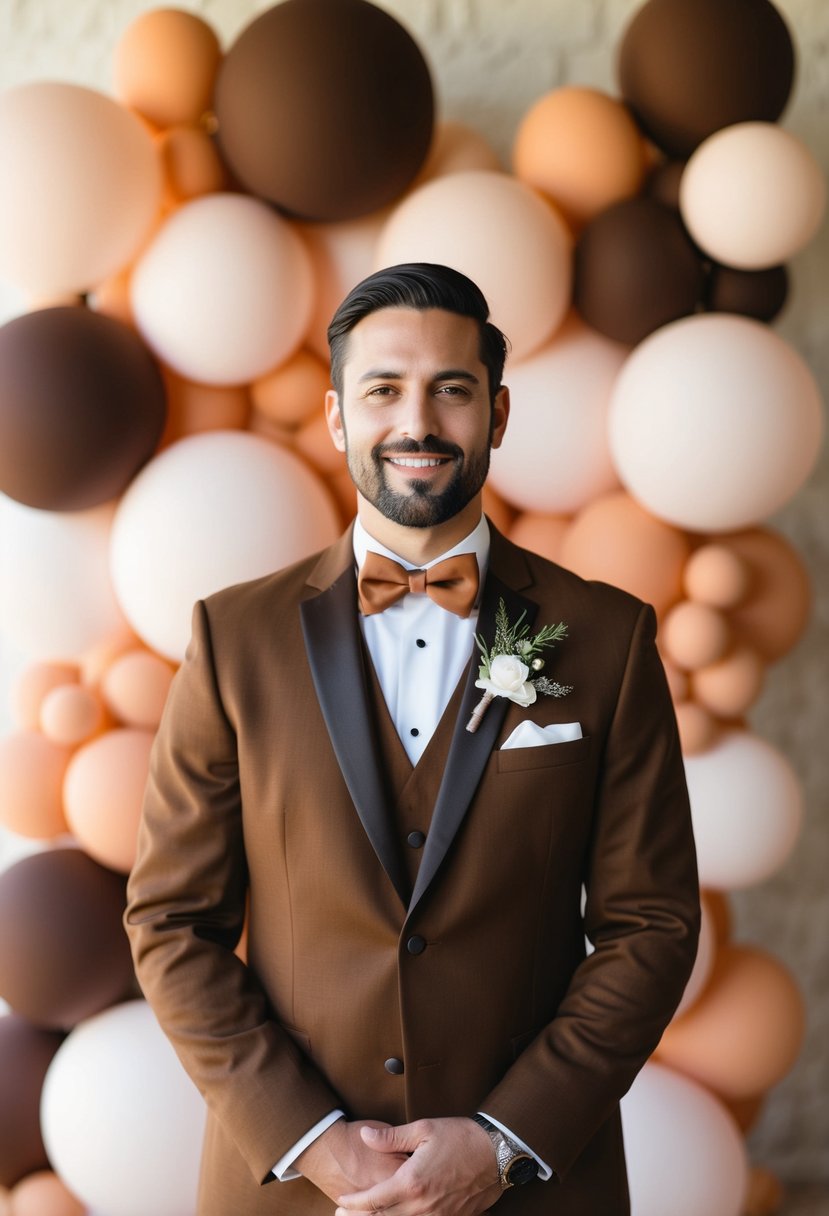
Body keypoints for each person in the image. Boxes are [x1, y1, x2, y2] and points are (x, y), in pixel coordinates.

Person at [125, 262, 700, 1216]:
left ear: (499, 413)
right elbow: (171, 924)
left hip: (534, 1188)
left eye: (452, 389)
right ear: (338, 416)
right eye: (383, 389)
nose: (417, 421)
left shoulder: (609, 638)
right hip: (293, 1191)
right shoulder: (233, 641)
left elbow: (651, 926)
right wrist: (310, 1140)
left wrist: (503, 1140)